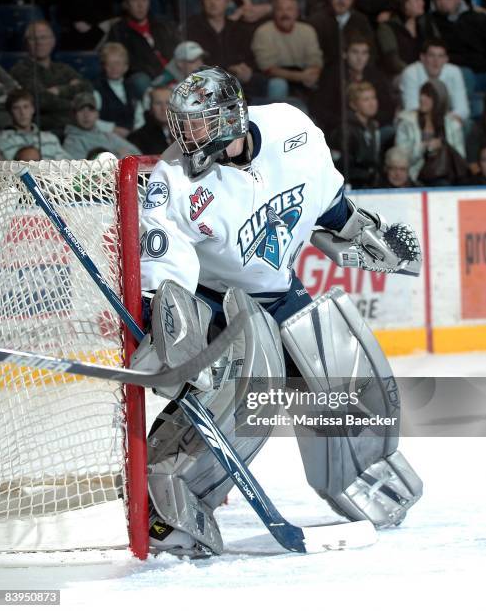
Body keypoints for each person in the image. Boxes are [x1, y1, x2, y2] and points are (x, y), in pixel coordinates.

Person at [135, 66, 422, 556]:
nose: (186, 136)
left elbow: (327, 208)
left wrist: (364, 235)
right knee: (247, 395)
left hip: (278, 290)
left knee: (339, 374)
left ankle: (357, 474)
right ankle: (166, 499)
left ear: (230, 119)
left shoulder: (291, 128)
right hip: (215, 300)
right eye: (182, 125)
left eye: (197, 124)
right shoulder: (171, 181)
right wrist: (176, 335)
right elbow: (165, 271)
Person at [10, 20, 93, 134]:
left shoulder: (63, 68)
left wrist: (59, 90)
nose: (39, 42)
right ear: (26, 43)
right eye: (33, 38)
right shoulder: (21, 70)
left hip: (76, 129)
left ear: (52, 41)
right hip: (46, 132)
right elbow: (42, 100)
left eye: (44, 37)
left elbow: (87, 88)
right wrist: (74, 103)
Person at [185, 0, 268, 102]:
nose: (213, 2)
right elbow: (194, 64)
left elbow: (250, 59)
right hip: (208, 83)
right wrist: (229, 70)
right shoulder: (191, 28)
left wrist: (247, 71)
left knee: (262, 81)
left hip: (239, 83)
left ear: (227, 2)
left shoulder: (238, 29)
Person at [312, 35, 397, 132]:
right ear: (345, 54)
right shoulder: (333, 75)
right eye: (355, 52)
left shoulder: (375, 75)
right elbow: (320, 109)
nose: (360, 58)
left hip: (374, 127)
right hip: (341, 129)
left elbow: (388, 107)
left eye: (364, 53)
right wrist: (348, 123)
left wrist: (375, 122)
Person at [251, 0, 323, 106]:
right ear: (274, 13)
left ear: (297, 13)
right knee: (278, 84)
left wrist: (313, 73)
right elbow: (268, 69)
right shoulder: (264, 32)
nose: (285, 14)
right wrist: (301, 77)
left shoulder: (307, 31)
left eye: (289, 9)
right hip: (273, 79)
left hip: (303, 78)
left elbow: (315, 59)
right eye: (280, 9)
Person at [395, 80, 467, 185]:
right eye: (422, 94)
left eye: (428, 96)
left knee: (443, 184)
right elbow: (400, 158)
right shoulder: (407, 123)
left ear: (439, 99)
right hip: (414, 175)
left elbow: (460, 157)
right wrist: (424, 147)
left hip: (444, 175)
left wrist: (442, 146)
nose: (422, 99)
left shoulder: (452, 125)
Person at [107, 0, 179, 98]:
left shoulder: (163, 24)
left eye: (144, 0)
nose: (140, 5)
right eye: (134, 1)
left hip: (174, 73)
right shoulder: (119, 30)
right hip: (148, 77)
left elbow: (178, 49)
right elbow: (125, 62)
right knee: (140, 80)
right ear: (126, 4)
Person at [400, 38, 470, 123]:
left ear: (446, 59)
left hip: (447, 120)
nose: (436, 61)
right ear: (422, 58)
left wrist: (447, 122)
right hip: (417, 122)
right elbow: (412, 108)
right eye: (431, 55)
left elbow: (462, 109)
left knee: (468, 123)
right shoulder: (410, 73)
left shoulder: (454, 72)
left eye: (440, 56)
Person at [329, 81, 383, 188]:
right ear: (353, 105)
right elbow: (344, 166)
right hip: (353, 187)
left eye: (373, 98)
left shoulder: (372, 126)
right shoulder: (345, 130)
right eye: (366, 100)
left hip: (369, 184)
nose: (372, 103)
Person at [63, 92, 141, 160]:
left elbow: (138, 155)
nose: (86, 115)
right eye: (81, 110)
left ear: (97, 114)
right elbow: (82, 172)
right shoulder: (71, 142)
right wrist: (120, 157)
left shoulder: (107, 136)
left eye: (91, 109)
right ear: (74, 115)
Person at [0, 89, 71, 161]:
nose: (22, 113)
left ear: (33, 109)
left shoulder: (50, 138)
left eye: (26, 107)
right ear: (10, 112)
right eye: (16, 108)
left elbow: (69, 166)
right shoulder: (0, 139)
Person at [93, 42, 144, 139]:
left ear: (125, 67)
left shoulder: (132, 87)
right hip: (106, 137)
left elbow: (139, 116)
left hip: (133, 136)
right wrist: (112, 129)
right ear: (104, 66)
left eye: (117, 63)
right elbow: (90, 119)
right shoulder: (97, 88)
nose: (114, 67)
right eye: (109, 63)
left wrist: (134, 130)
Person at [308, 0, 375, 69]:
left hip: (356, 73)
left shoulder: (361, 21)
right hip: (325, 73)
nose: (341, 1)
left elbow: (372, 52)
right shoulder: (316, 22)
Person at [376, 0, 427, 76]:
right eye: (417, 0)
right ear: (404, 4)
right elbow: (392, 60)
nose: (422, 2)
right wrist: (414, 73)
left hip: (423, 73)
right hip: (398, 75)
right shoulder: (387, 28)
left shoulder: (424, 26)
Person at [128, 85, 173, 154]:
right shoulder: (138, 138)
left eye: (168, 103)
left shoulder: (185, 132)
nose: (163, 108)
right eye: (158, 103)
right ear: (150, 107)